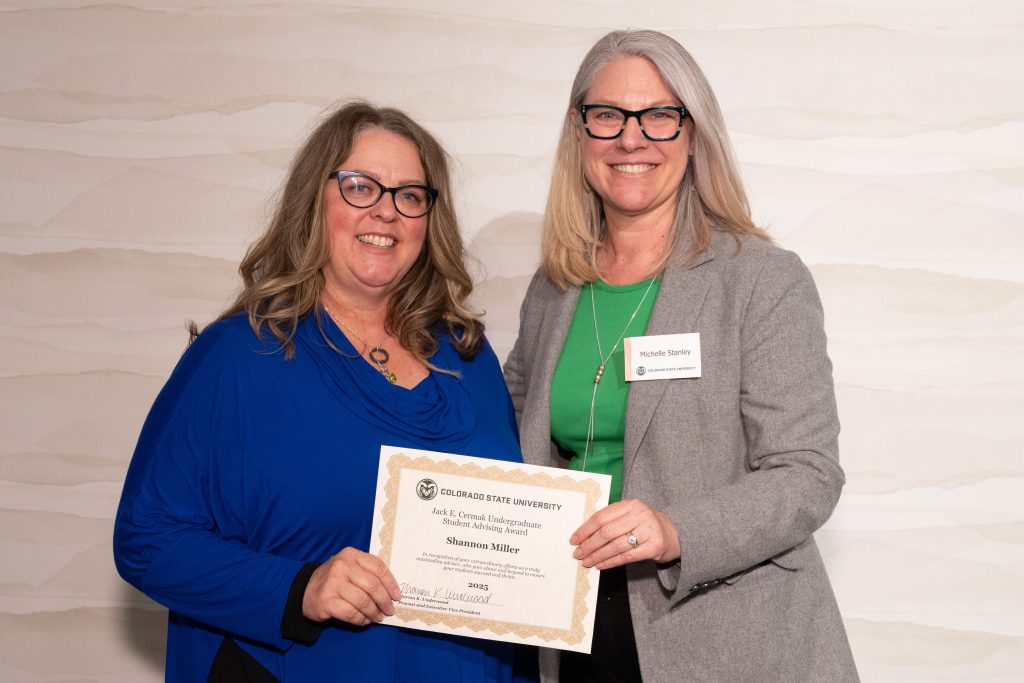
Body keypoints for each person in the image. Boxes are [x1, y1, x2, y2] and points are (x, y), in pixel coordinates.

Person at [114, 101, 533, 682]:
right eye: (361, 187)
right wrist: (300, 588)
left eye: (410, 195)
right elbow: (146, 539)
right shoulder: (240, 356)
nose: (387, 213)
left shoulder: (469, 356)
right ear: (316, 200)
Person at [504, 30, 859, 682]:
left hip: (726, 635)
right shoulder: (553, 289)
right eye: (607, 115)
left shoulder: (759, 279)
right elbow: (510, 435)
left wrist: (675, 529)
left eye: (660, 116)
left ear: (693, 136)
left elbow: (808, 473)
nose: (630, 138)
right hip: (575, 623)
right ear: (579, 134)